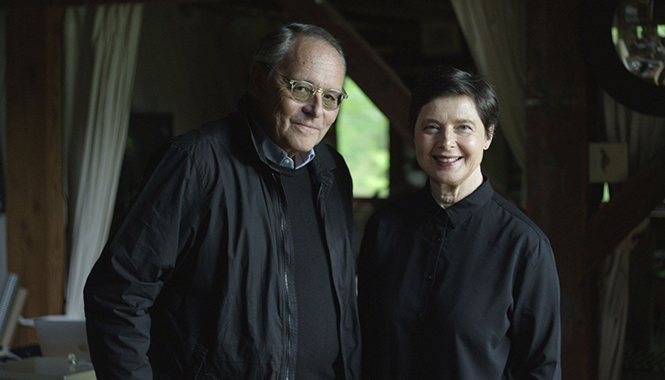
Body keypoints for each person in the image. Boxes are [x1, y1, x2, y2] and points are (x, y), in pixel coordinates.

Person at [84, 23, 361, 380]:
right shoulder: (194, 163)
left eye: (330, 97)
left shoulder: (333, 171)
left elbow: (344, 304)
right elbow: (118, 293)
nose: (316, 109)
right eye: (301, 88)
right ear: (258, 80)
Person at [358, 66, 561, 379]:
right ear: (414, 134)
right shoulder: (384, 228)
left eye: (463, 127)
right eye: (431, 127)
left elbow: (540, 370)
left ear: (488, 135)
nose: (446, 142)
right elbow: (363, 343)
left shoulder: (525, 246)